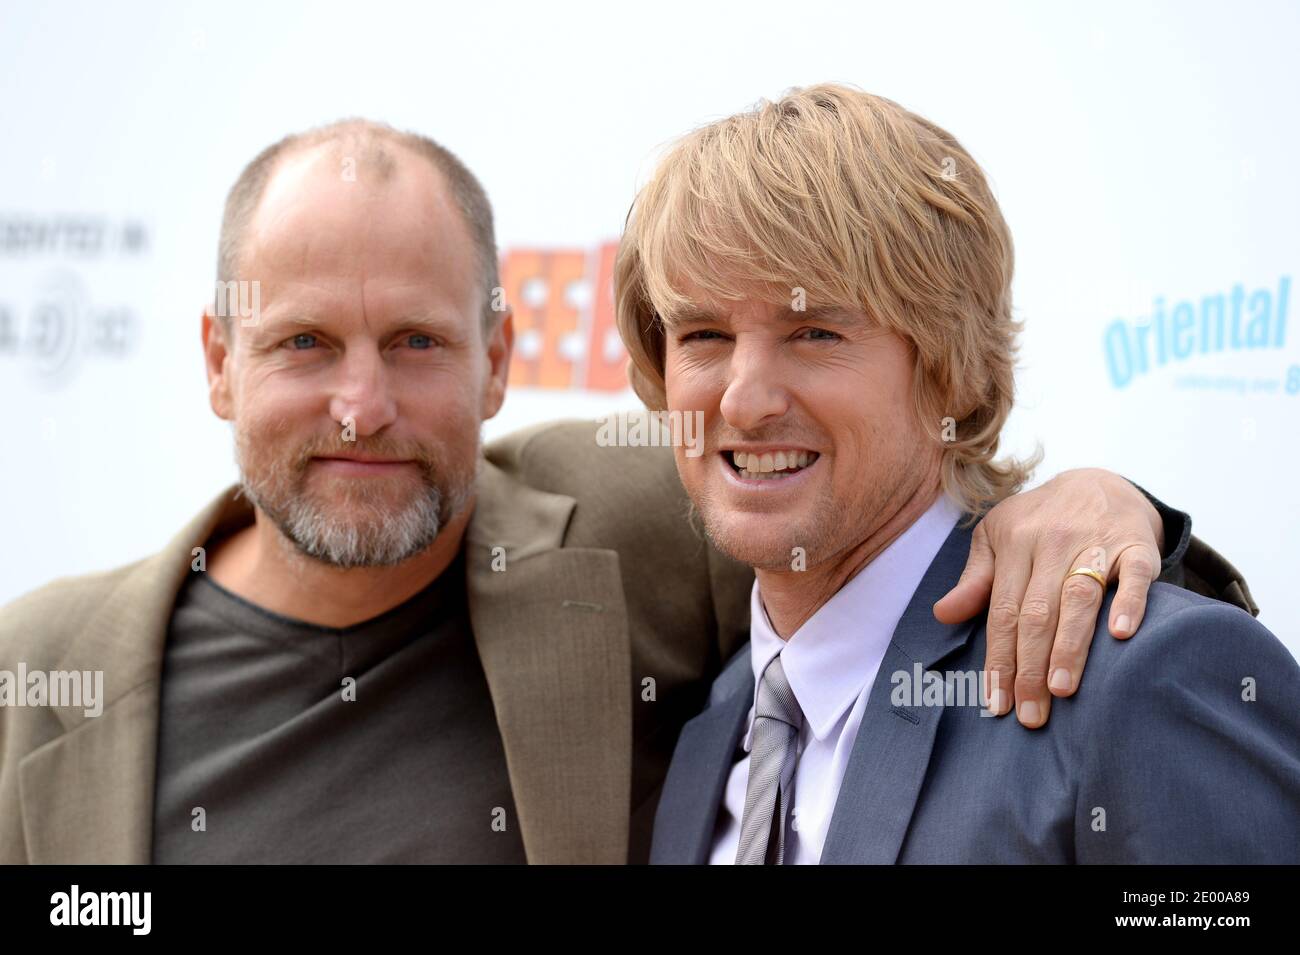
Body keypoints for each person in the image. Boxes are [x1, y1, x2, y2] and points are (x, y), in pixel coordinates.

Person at [0, 117, 1256, 865]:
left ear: (501, 357)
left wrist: (1106, 505)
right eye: (303, 343)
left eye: (420, 344)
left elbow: (914, 515)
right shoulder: (44, 669)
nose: (362, 406)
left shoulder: (623, 536)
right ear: (219, 359)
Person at [636, 84, 1299, 864]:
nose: (744, 402)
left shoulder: (1138, 681)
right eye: (704, 334)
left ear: (953, 370)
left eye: (814, 331)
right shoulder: (708, 728)